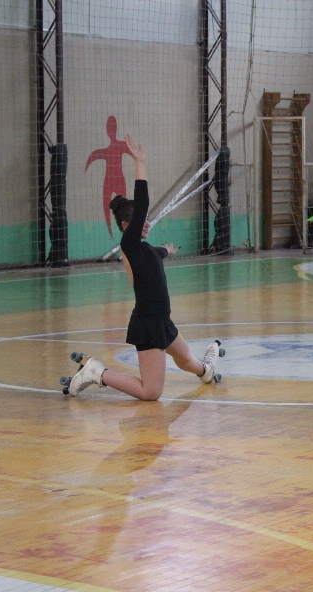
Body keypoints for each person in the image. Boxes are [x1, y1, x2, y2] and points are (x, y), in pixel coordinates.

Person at [66, 134, 222, 400]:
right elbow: (143, 202)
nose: (147, 223)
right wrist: (140, 162)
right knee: (150, 392)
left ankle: (206, 371)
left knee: (185, 359)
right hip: (148, 322)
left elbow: (157, 254)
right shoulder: (129, 244)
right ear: (128, 226)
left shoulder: (146, 249)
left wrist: (167, 251)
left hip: (161, 320)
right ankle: (97, 373)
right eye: (142, 220)